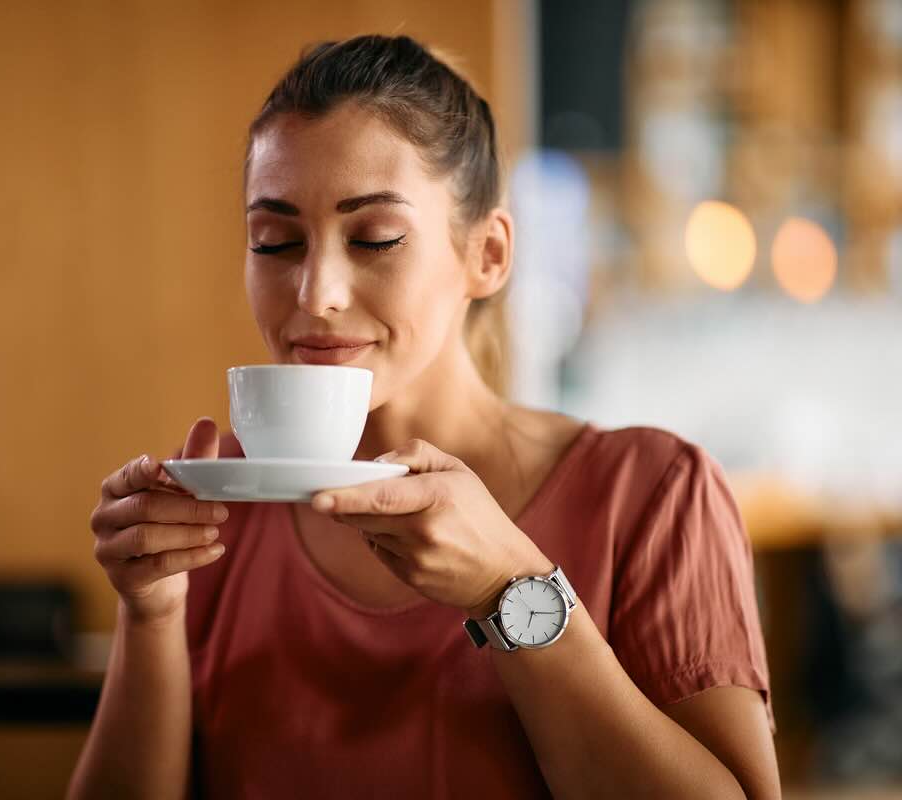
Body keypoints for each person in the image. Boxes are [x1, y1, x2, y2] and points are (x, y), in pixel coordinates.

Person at [68, 35, 779, 800]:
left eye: (374, 237)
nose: (315, 294)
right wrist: (149, 615)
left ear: (489, 254)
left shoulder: (654, 494)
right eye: (275, 242)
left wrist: (511, 590)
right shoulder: (215, 515)